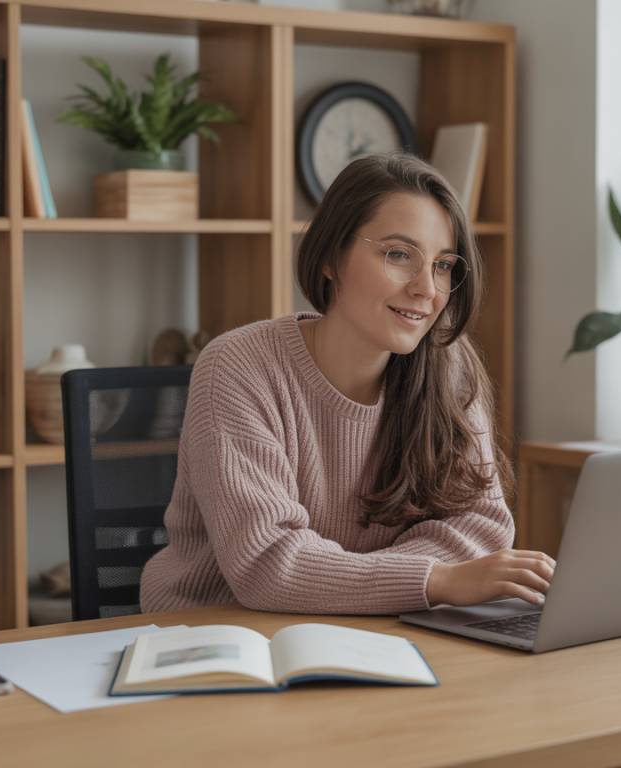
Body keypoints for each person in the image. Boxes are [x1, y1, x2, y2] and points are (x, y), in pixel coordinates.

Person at [140, 152, 555, 615]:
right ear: (331, 258)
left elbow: (481, 528)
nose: (428, 289)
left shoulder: (447, 364)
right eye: (399, 255)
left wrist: (353, 583)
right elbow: (267, 566)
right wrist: (435, 579)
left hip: (377, 626)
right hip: (221, 632)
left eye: (442, 265)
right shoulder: (238, 367)